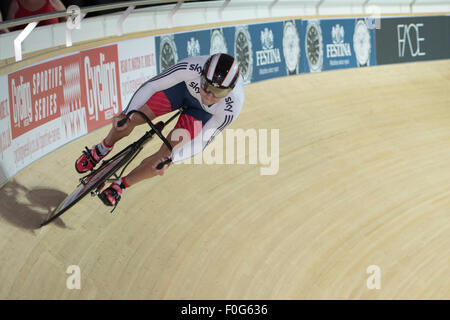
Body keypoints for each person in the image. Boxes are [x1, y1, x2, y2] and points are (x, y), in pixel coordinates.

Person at [75, 53, 245, 207]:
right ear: (201, 74)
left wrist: (172, 159)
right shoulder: (191, 66)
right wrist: (126, 114)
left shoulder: (232, 106)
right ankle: (101, 148)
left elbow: (203, 141)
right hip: (181, 90)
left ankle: (121, 185)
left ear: (228, 91)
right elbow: (151, 86)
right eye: (206, 86)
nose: (208, 95)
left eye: (216, 92)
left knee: (165, 157)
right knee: (132, 117)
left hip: (200, 114)